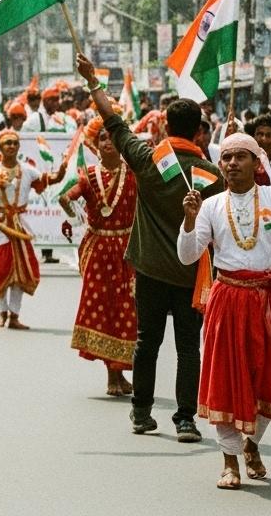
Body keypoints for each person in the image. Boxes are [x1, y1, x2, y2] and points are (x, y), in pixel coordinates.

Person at [77, 53, 220, 443]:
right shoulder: (214, 175)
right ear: (198, 133)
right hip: (193, 276)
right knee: (189, 349)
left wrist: (93, 81)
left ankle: (141, 413)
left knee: (147, 342)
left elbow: (114, 122)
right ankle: (186, 420)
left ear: (166, 126)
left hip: (150, 271)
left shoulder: (147, 158)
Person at [178, 133, 271, 489]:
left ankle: (251, 444)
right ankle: (229, 461)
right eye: (227, 158)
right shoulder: (209, 205)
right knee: (225, 379)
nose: (232, 163)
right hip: (228, 299)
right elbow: (188, 255)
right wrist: (189, 221)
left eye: (241, 157)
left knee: (267, 379)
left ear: (257, 162)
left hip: (269, 302)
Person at [59, 115, 138, 397]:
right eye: (102, 137)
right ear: (95, 143)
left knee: (126, 308)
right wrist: (73, 215)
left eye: (113, 137)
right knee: (103, 308)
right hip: (99, 249)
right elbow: (65, 197)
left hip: (128, 250)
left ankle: (119, 372)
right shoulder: (88, 175)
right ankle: (113, 375)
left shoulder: (133, 173)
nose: (108, 142)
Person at [0, 129, 68, 329]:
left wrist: (62, 171)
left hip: (20, 226)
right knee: (0, 270)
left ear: (18, 147)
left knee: (21, 274)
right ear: (0, 147)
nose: (11, 146)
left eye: (14, 143)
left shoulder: (28, 170)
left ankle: (14, 315)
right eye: (7, 143)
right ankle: (2, 312)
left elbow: (48, 180)